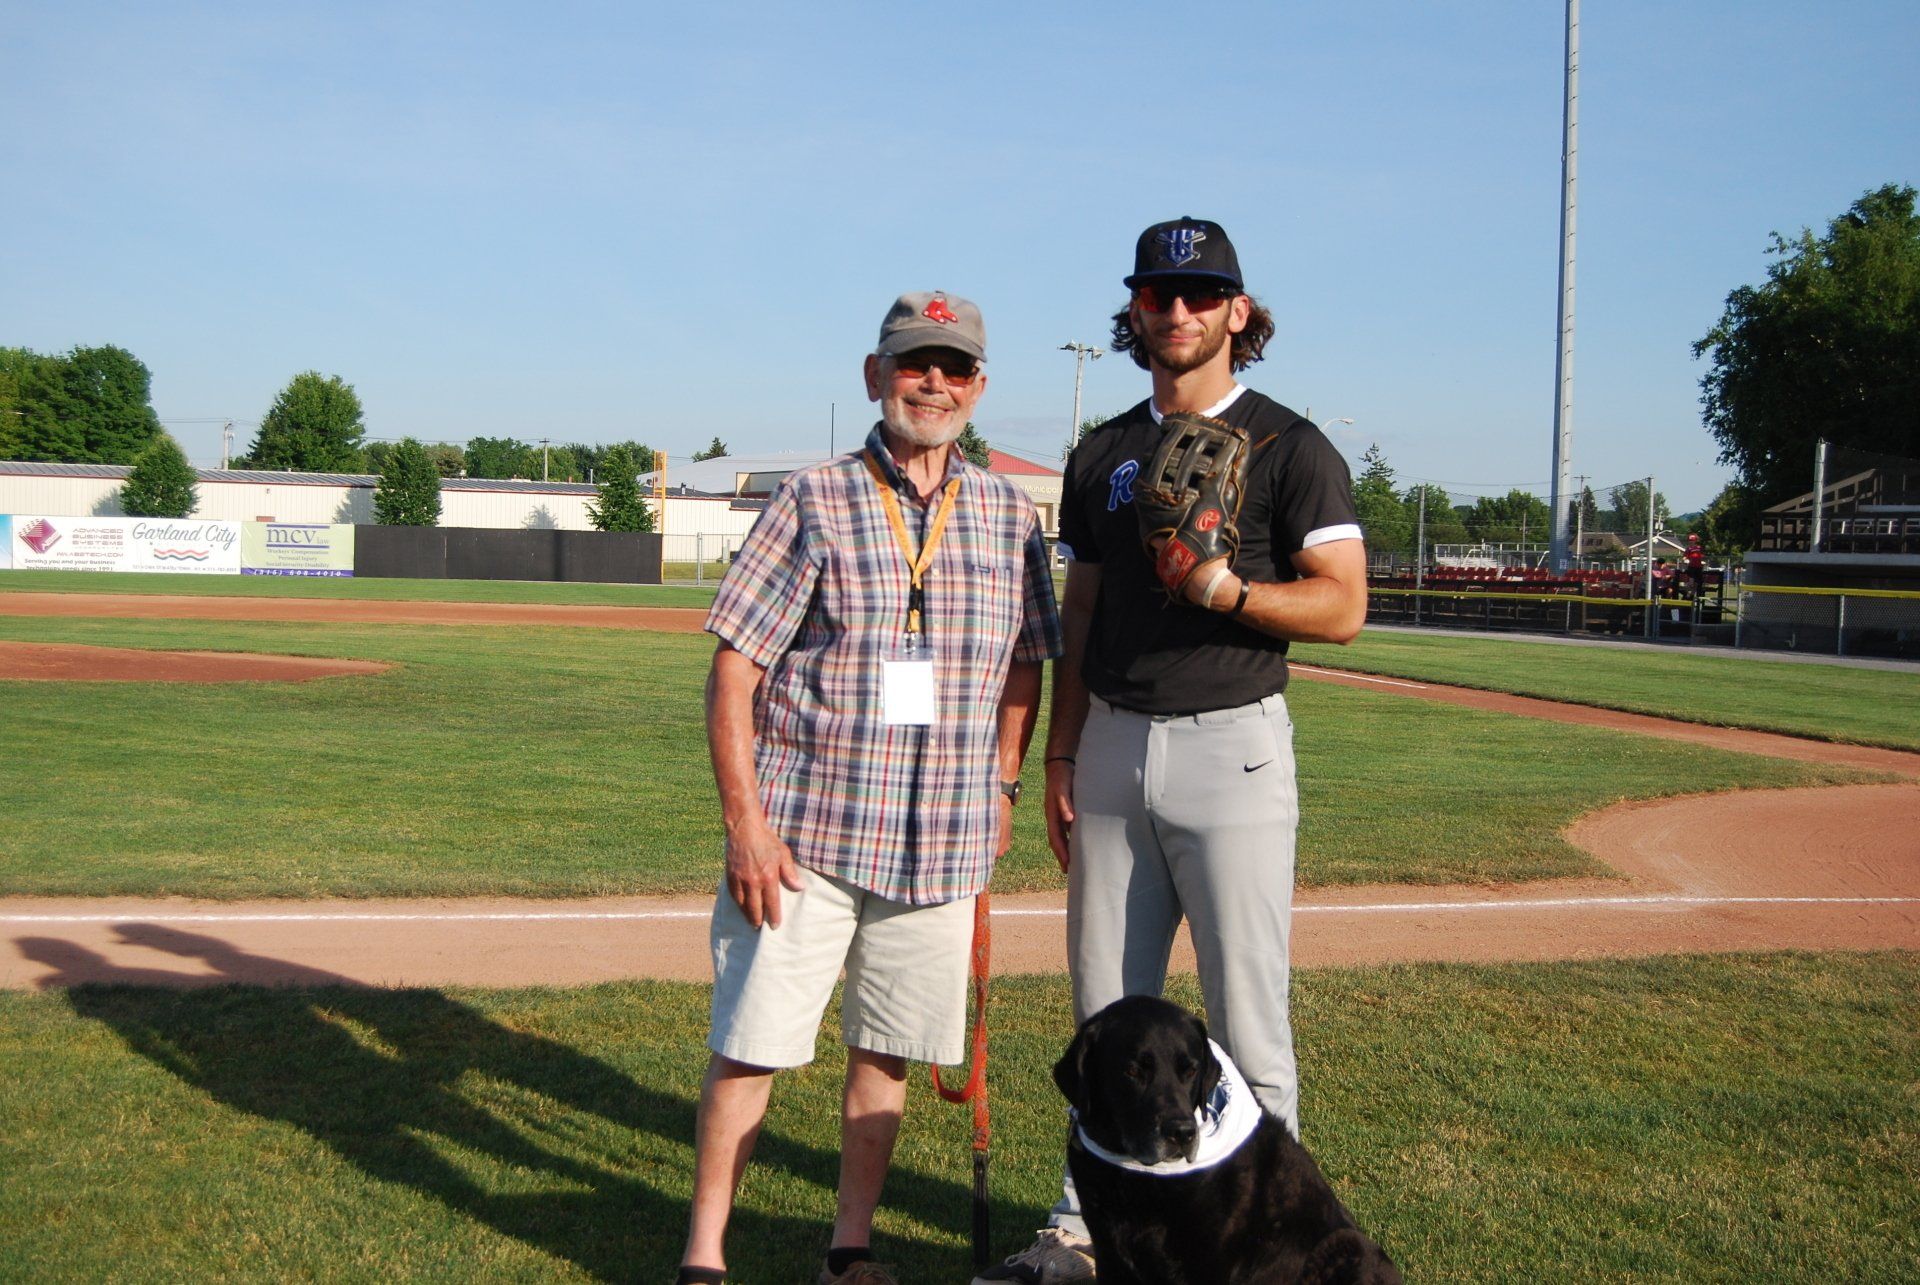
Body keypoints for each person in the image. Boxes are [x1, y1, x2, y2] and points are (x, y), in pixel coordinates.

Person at [976, 218, 1368, 1285]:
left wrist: (1225, 588)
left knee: (1246, 1021)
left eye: (1201, 293)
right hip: (1109, 747)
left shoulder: (1293, 446)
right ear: (1136, 311)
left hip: (1232, 746)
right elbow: (1085, 607)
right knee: (1105, 1018)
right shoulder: (1102, 452)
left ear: (1239, 311)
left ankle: (1253, 1247)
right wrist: (1060, 757)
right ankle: (1078, 1235)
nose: (1178, 310)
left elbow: (1344, 606)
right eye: (1158, 293)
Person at [679, 291, 1063, 1285]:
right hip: (804, 839)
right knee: (751, 1048)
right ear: (874, 375)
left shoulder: (1009, 514)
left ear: (978, 388)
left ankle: (849, 1249)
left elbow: (1028, 664)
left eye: (955, 366)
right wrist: (745, 827)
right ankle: (704, 1258)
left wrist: (1007, 782)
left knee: (885, 1055)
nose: (933, 381)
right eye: (914, 363)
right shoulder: (814, 498)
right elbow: (734, 672)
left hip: (940, 845)